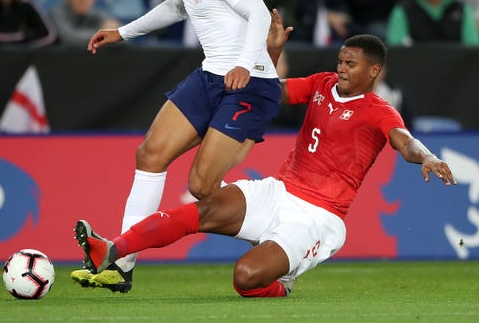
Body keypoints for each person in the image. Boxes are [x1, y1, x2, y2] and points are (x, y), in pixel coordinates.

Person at [71, 27, 457, 297]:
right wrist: (271, 54)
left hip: (318, 217)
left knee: (246, 278)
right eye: (340, 61)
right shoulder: (322, 84)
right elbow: (269, 92)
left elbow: (404, 142)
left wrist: (427, 156)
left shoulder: (379, 111)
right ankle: (114, 251)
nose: (341, 68)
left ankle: (281, 285)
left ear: (373, 71)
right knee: (200, 210)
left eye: (351, 64)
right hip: (278, 190)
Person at [75, 0, 282, 292]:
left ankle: (277, 236)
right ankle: (120, 264)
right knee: (149, 155)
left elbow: (260, 13)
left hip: (248, 83)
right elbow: (174, 9)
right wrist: (121, 32)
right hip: (210, 78)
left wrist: (245, 63)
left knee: (202, 187)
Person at [49, 0, 120, 47]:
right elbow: (69, 38)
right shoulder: (57, 13)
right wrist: (103, 33)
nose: (82, 0)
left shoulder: (99, 13)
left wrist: (112, 33)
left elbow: (118, 38)